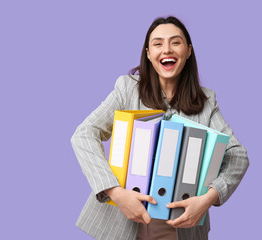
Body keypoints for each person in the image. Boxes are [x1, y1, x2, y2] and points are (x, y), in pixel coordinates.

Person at [71, 16, 249, 240]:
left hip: (180, 229)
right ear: (148, 53)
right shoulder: (127, 89)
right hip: (121, 226)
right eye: (158, 43)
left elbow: (238, 155)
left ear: (188, 51)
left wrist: (207, 199)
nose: (167, 49)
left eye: (176, 42)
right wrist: (115, 193)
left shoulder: (206, 102)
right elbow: (84, 134)